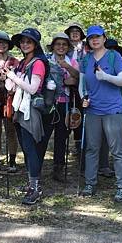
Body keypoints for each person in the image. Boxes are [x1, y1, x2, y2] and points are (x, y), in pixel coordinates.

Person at [79, 25, 122, 203]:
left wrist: (106, 77)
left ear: (104, 38)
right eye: (91, 37)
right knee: (92, 148)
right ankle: (90, 183)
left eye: (98, 37)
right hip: (93, 110)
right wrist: (83, 97)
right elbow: (82, 84)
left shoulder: (113, 56)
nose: (95, 40)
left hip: (112, 109)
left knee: (116, 149)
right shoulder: (86, 60)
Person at [2, 28, 51, 205]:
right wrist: (9, 75)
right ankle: (31, 184)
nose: (24, 44)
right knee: (27, 148)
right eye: (22, 42)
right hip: (21, 109)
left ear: (35, 44)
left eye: (28, 42)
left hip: (32, 111)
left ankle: (35, 188)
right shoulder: (22, 62)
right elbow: (12, 87)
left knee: (31, 150)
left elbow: (32, 88)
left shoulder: (38, 63)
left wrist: (13, 76)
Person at [46, 33, 79, 182]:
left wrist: (67, 68)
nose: (61, 47)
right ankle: (37, 165)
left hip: (65, 102)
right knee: (44, 134)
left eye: (64, 44)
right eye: (58, 44)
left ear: (68, 47)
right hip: (48, 102)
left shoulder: (72, 61)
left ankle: (58, 167)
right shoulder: (46, 61)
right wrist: (65, 81)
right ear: (53, 46)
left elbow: (78, 78)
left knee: (62, 135)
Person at [0, 31, 20, 173]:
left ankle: (12, 161)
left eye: (4, 43)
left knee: (11, 130)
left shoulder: (14, 62)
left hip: (10, 99)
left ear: (8, 45)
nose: (1, 45)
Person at [65, 22, 87, 155]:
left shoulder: (87, 48)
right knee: (66, 114)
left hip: (82, 86)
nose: (74, 33)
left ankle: (80, 145)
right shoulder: (64, 47)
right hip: (66, 87)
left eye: (77, 31)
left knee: (80, 114)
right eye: (72, 31)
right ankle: (64, 143)